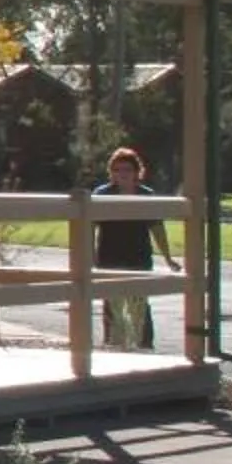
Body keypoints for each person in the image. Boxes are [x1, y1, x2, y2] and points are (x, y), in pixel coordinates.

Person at [91, 145, 179, 350]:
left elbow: (157, 228)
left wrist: (167, 257)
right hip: (109, 257)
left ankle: (144, 345)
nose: (122, 174)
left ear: (136, 172)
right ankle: (113, 344)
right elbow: (89, 227)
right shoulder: (102, 194)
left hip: (138, 256)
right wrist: (88, 256)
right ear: (111, 172)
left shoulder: (145, 195)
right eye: (118, 169)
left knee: (139, 304)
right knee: (112, 305)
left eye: (127, 170)